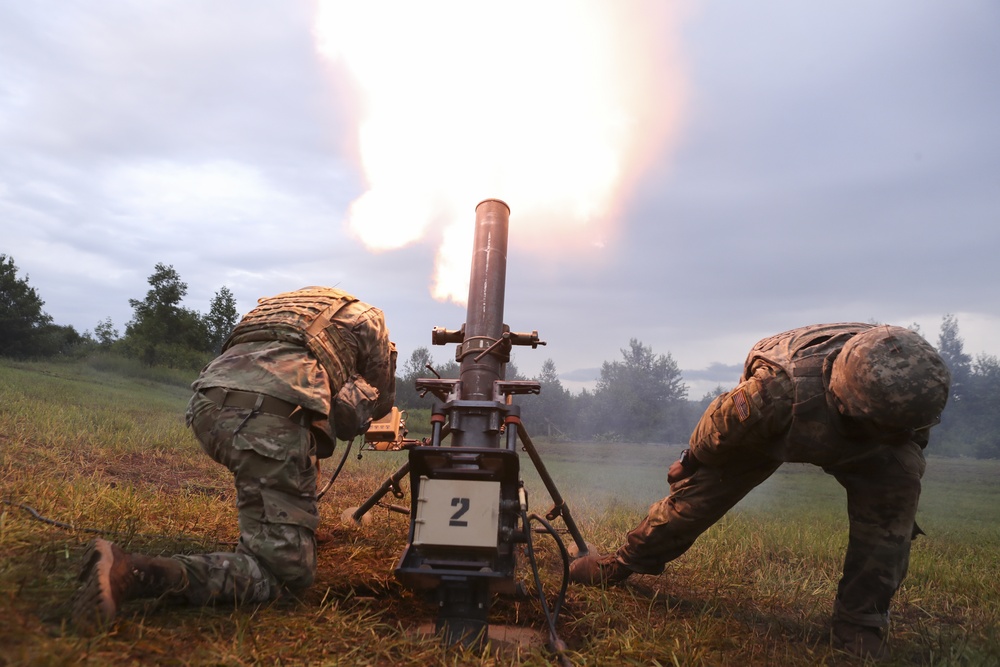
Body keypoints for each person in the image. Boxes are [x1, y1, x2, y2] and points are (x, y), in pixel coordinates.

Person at [569, 322, 950, 659]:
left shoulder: (914, 386)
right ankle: (620, 565)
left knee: (892, 515)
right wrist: (690, 461)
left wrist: (896, 459)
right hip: (778, 426)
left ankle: (859, 623)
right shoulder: (776, 392)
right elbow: (719, 425)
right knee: (693, 503)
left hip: (871, 434)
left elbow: (912, 436)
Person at [72, 286, 396, 628]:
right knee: (286, 577)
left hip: (207, 408)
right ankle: (134, 573)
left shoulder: (277, 306)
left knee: (303, 436)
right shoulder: (369, 318)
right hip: (266, 421)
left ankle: (291, 524)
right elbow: (376, 403)